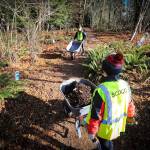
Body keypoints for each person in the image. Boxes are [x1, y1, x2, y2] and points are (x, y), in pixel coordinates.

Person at [85, 52, 136, 150]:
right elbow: (130, 104)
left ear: (104, 71)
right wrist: (130, 117)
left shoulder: (101, 90)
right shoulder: (125, 85)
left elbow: (96, 115)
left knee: (106, 145)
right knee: (109, 142)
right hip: (119, 125)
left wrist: (92, 132)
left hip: (105, 130)